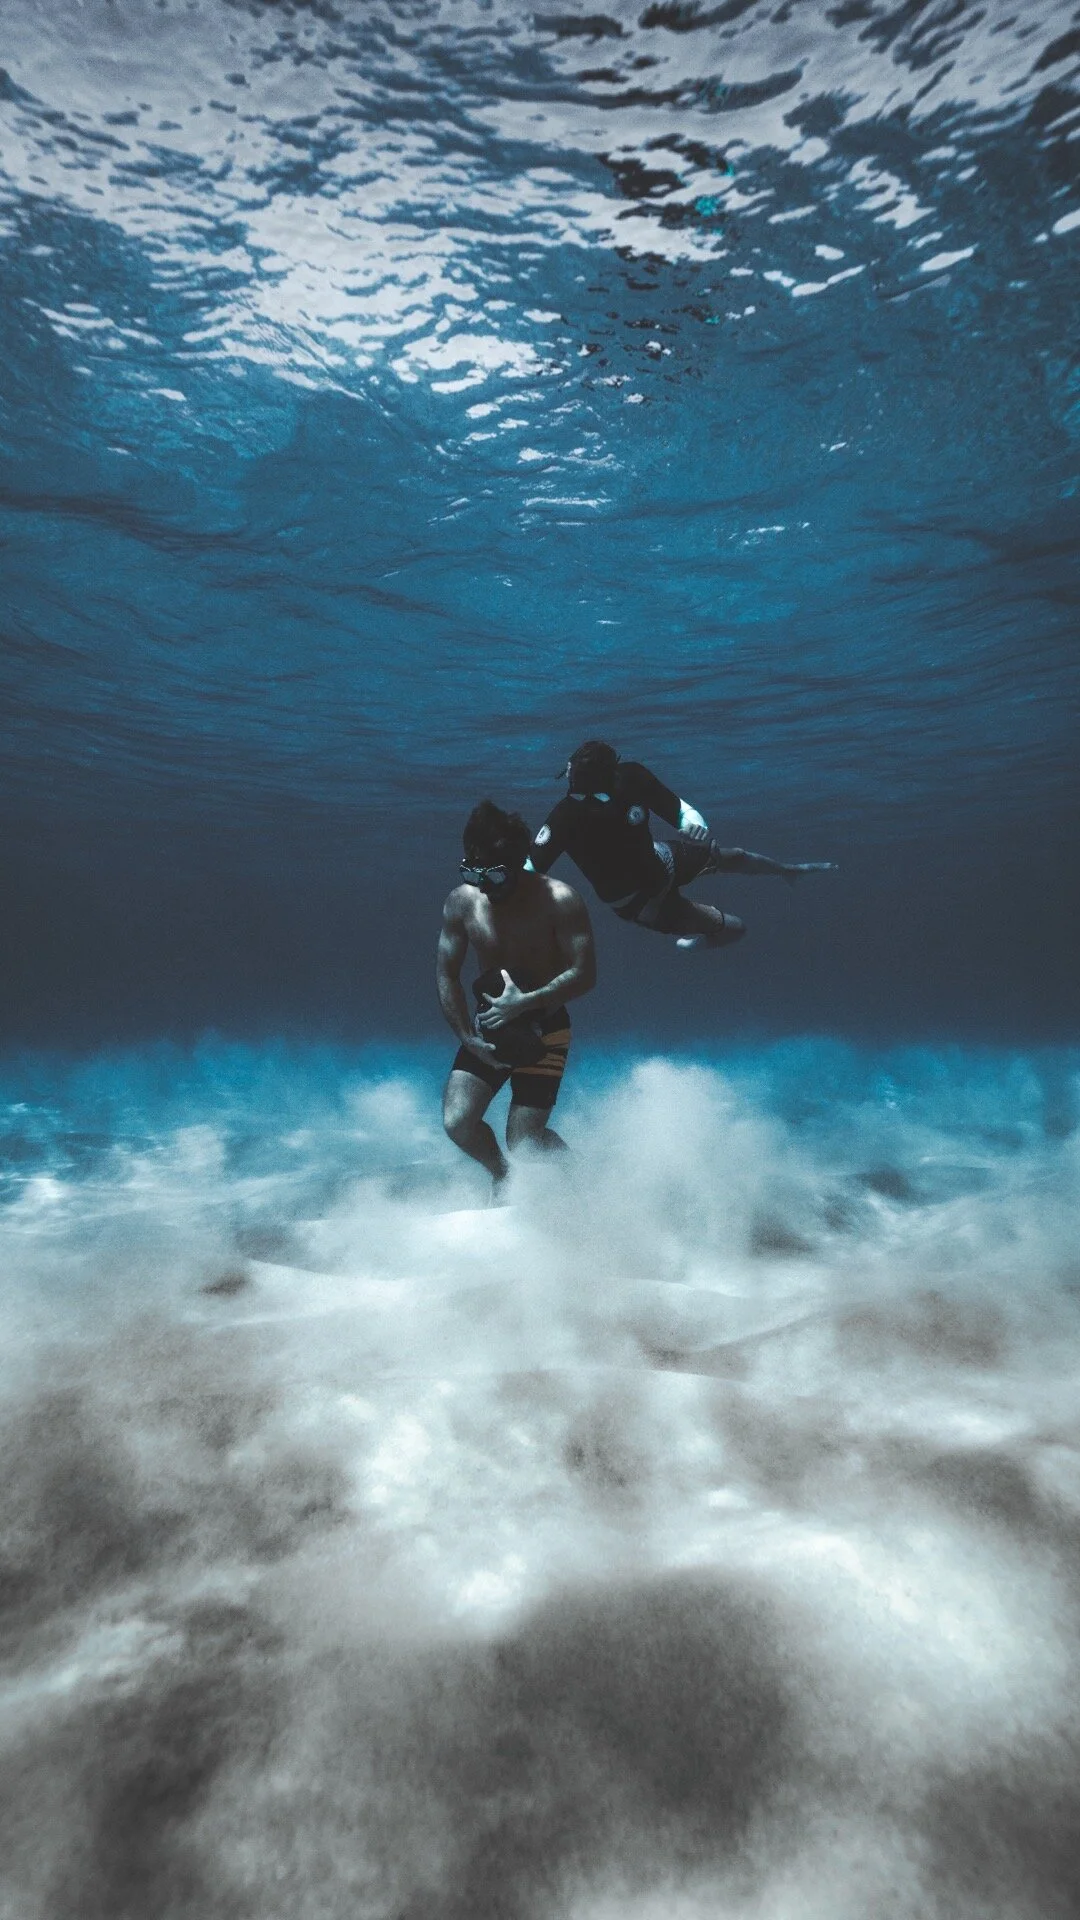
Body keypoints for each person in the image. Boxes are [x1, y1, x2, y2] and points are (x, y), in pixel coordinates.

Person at [526, 739, 836, 950]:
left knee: (735, 856)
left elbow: (678, 808)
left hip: (661, 862)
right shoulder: (565, 817)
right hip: (638, 900)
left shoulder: (631, 777)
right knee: (735, 929)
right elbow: (528, 870)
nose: (579, 796)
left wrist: (694, 825)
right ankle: (693, 945)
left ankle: (787, 870)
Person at [438, 799, 596, 1193]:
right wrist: (466, 1037)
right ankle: (501, 1177)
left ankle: (585, 1183)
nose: (482, 887)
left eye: (494, 878)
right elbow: (446, 973)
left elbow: (585, 973)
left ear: (519, 864)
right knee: (458, 1122)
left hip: (546, 1028)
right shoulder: (462, 901)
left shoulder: (560, 899)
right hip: (490, 1024)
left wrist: (526, 1002)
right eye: (473, 874)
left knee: (524, 1142)